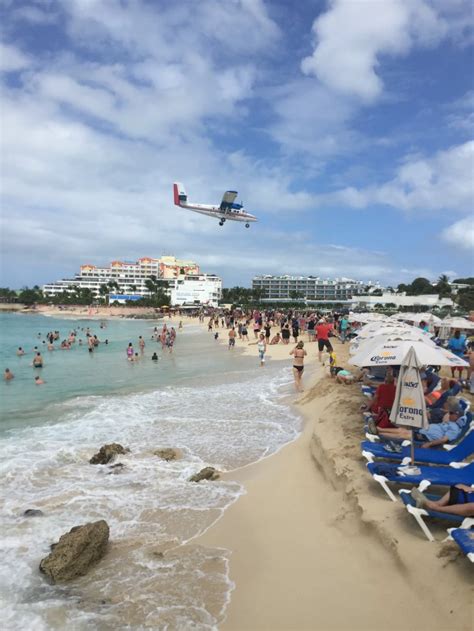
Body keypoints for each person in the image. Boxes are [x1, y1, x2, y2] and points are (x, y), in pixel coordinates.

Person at [378, 399, 467, 446]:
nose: (449, 414)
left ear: (457, 416)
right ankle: (380, 430)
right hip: (424, 431)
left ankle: (380, 435)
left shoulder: (454, 428)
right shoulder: (449, 422)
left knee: (403, 435)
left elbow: (444, 439)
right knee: (402, 430)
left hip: (427, 438)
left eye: (451, 413)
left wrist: (429, 444)